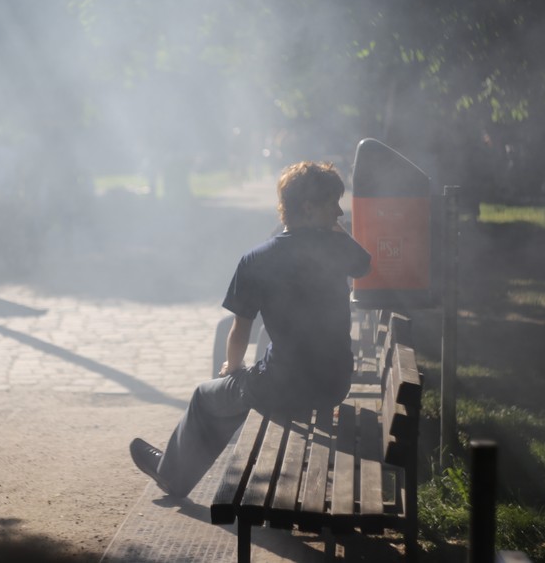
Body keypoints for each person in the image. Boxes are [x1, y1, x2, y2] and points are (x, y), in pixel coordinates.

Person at [130, 161, 371, 498]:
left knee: (207, 395)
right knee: (237, 394)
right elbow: (364, 264)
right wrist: (334, 230)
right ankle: (177, 467)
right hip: (333, 384)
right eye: (333, 203)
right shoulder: (336, 249)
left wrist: (233, 367)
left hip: (285, 388)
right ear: (308, 207)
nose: (340, 212)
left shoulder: (257, 259)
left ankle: (171, 473)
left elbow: (240, 329)